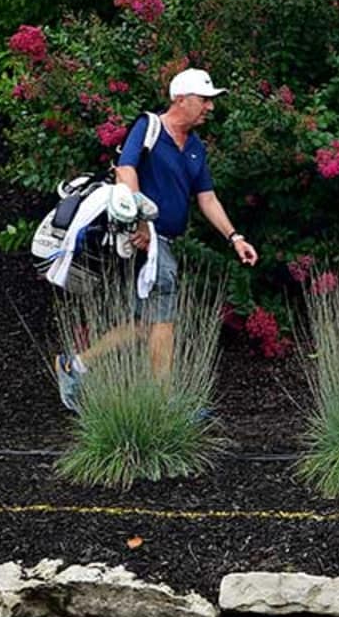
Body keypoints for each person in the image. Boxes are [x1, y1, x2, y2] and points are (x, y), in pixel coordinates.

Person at [55, 68, 258, 409]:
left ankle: (75, 364)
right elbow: (126, 170)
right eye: (204, 99)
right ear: (181, 99)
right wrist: (141, 220)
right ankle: (163, 404)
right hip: (144, 239)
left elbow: (206, 197)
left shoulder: (195, 148)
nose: (210, 107)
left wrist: (234, 237)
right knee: (165, 315)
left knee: (144, 323)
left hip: (163, 241)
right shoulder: (148, 126)